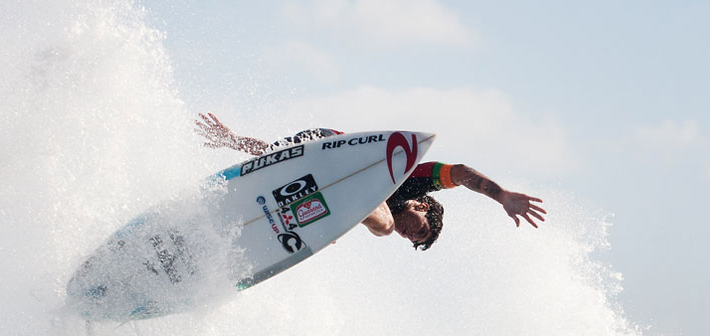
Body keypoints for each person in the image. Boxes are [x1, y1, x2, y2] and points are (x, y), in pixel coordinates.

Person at [194, 113, 546, 250]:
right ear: (424, 208)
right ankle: (337, 219)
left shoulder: (386, 215)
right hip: (327, 148)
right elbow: (462, 173)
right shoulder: (416, 182)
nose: (410, 235)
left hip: (316, 183)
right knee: (383, 227)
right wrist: (501, 196)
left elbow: (271, 157)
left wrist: (232, 140)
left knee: (376, 226)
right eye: (421, 230)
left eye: (414, 240)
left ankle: (330, 219)